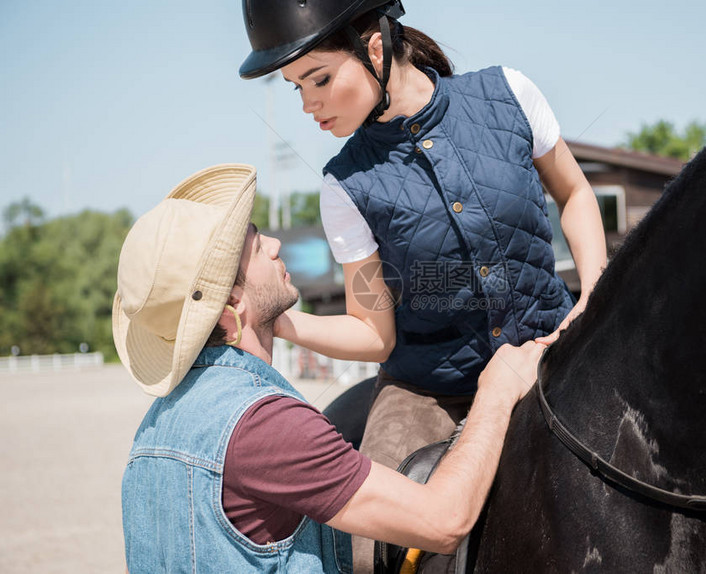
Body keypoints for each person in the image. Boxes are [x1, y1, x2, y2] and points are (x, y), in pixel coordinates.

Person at [239, 2, 606, 569]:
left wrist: (592, 295)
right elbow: (374, 333)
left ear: (376, 50)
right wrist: (277, 319)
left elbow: (576, 194)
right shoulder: (343, 185)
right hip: (430, 391)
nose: (309, 105)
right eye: (297, 88)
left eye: (319, 78)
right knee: (366, 557)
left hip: (555, 347)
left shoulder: (509, 92)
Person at [115, 164, 544, 573]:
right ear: (231, 305)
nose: (275, 245)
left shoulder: (154, 429)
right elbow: (444, 521)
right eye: (256, 245)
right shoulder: (266, 425)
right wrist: (497, 390)